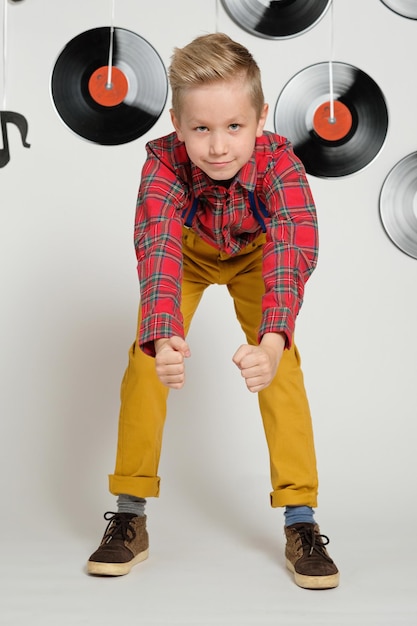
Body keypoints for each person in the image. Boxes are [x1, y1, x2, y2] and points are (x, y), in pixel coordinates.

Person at [87, 32, 339, 590]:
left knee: (283, 367)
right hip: (188, 256)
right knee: (146, 357)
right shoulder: (163, 164)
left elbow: (294, 244)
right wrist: (163, 332)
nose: (218, 147)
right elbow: (156, 244)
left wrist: (272, 340)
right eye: (201, 128)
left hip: (258, 259)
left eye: (234, 127)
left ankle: (301, 519)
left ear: (261, 117)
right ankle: (130, 511)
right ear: (177, 123)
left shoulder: (281, 165)